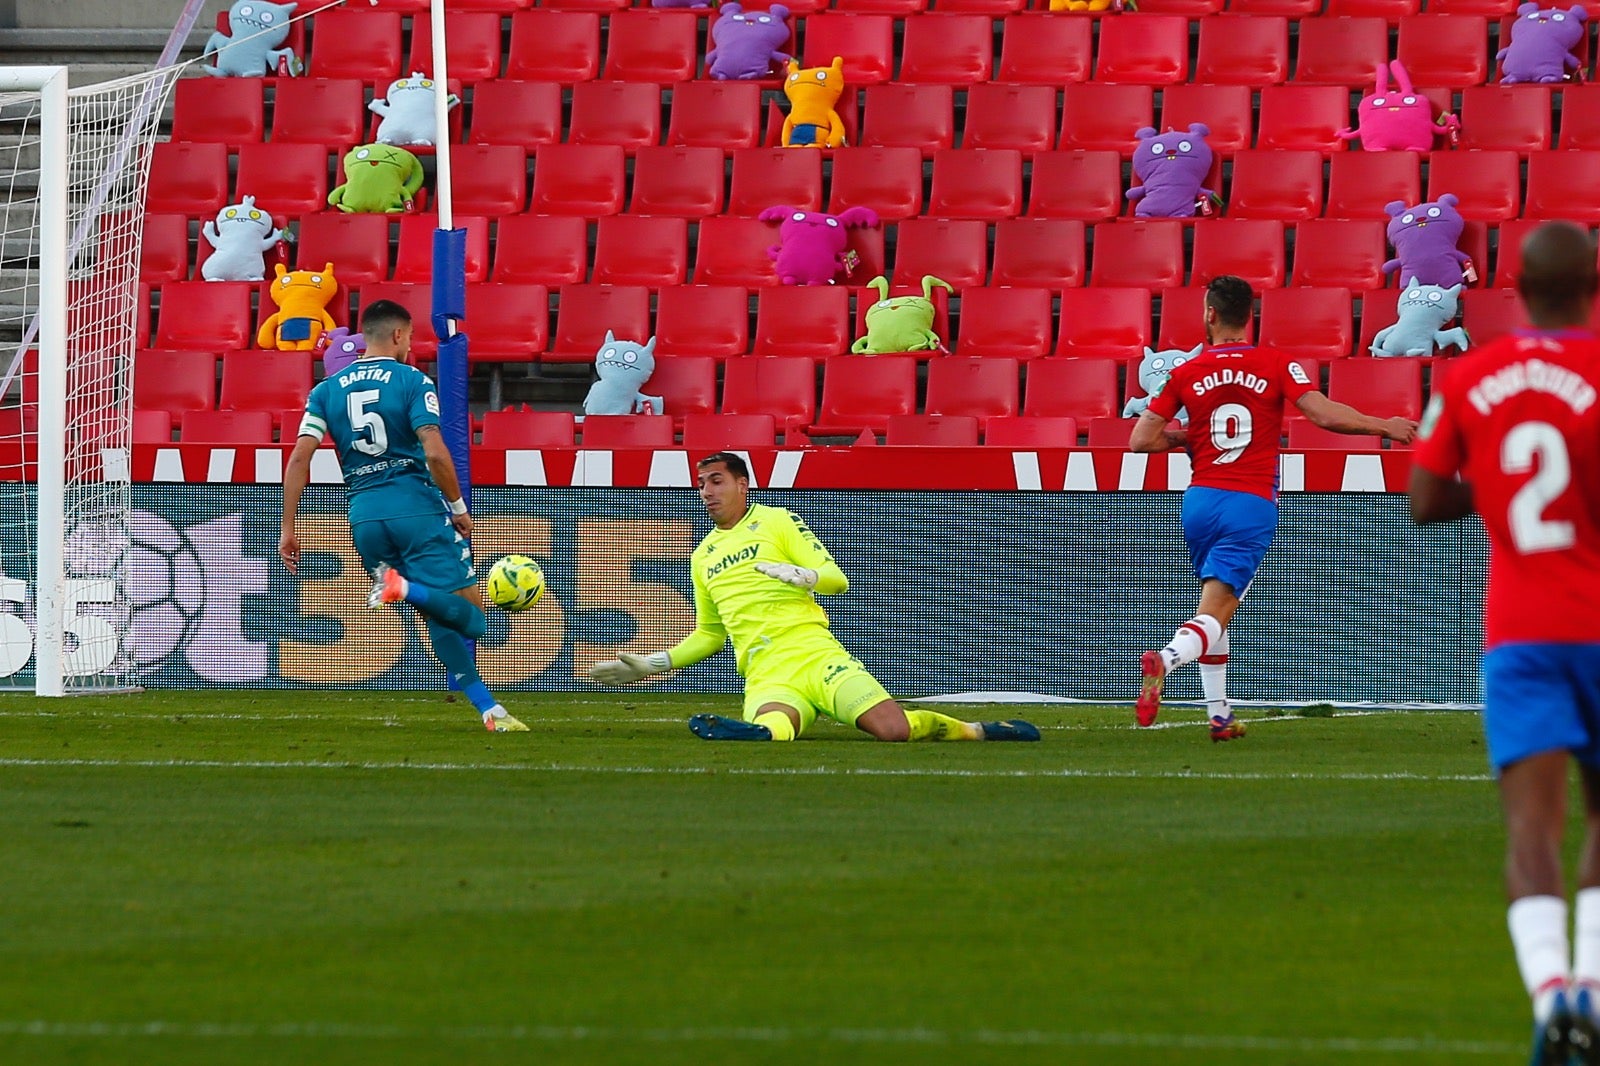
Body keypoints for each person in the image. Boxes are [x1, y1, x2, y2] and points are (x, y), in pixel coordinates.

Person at [1409, 221, 1600, 1064]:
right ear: (1593, 287)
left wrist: (1494, 485)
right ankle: (1592, 989)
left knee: (1531, 833)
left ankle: (1548, 990)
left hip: (1518, 634)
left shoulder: (1469, 375)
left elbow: (1423, 501)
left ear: (1516, 289)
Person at [1129, 275, 1417, 741]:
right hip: (1250, 500)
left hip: (1200, 500)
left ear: (1209, 314)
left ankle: (1219, 716)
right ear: (1250, 317)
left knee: (1217, 605)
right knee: (1218, 607)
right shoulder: (1276, 364)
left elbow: (1141, 441)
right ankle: (1166, 658)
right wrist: (1383, 424)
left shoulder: (1186, 371)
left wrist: (1188, 437)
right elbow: (1323, 414)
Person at [588, 452, 1040, 744]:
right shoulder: (703, 556)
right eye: (702, 483)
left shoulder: (777, 521)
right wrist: (652, 664)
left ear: (743, 484)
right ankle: (751, 732)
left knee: (893, 731)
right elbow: (710, 633)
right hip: (766, 671)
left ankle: (977, 730)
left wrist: (802, 575)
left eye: (717, 481)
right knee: (773, 731)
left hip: (814, 654)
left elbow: (836, 580)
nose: (706, 491)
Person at [279, 299, 527, 733]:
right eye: (410, 336)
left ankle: (489, 710)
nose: (410, 344)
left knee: (437, 616)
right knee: (475, 618)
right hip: (416, 508)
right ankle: (402, 587)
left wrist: (288, 527)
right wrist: (457, 507)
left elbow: (300, 458)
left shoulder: (326, 390)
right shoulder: (412, 380)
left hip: (364, 518)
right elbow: (434, 450)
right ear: (397, 335)